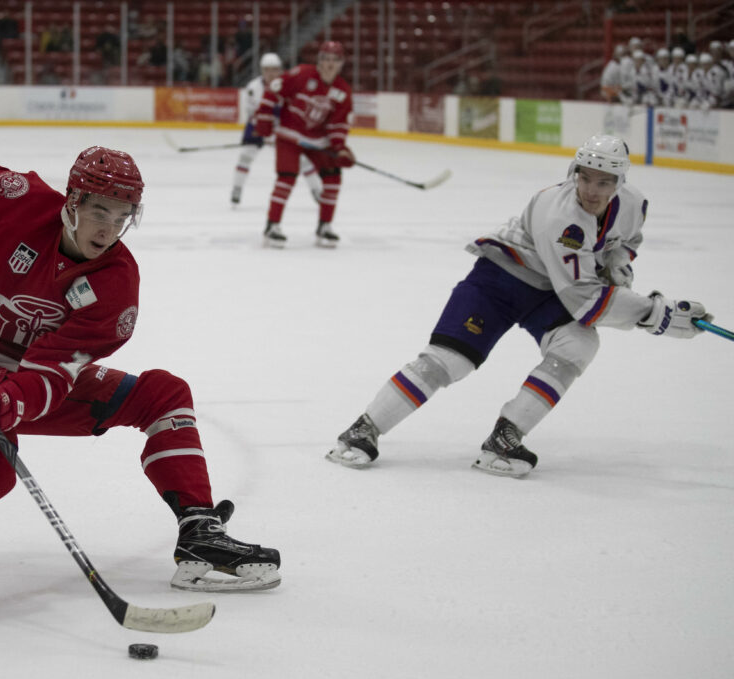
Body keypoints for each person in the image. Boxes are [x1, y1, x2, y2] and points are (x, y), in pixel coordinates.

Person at [0, 142, 282, 633]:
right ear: (71, 202)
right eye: (99, 211)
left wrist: (8, 396)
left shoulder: (115, 284)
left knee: (163, 394)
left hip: (29, 374)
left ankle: (200, 532)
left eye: (123, 215)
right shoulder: (14, 199)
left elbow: (51, 374)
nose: (109, 228)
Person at [325, 134, 713, 478]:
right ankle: (363, 429)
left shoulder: (633, 204)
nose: (592, 190)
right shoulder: (562, 217)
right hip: (500, 280)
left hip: (550, 289)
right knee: (450, 361)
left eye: (604, 181)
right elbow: (587, 302)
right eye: (585, 177)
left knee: (577, 345)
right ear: (573, 172)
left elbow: (625, 242)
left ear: (620, 182)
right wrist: (654, 313)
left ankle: (504, 437)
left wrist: (619, 270)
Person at [255, 40, 355, 248]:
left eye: (334, 60)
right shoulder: (301, 74)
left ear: (341, 63)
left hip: (318, 141)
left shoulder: (342, 91)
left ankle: (324, 226)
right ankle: (272, 226)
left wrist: (339, 148)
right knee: (287, 176)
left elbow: (338, 123)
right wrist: (264, 115)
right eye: (326, 59)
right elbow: (274, 88)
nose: (329, 64)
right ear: (319, 61)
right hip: (290, 135)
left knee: (333, 176)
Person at [230, 52, 322, 207]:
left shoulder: (289, 85)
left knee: (303, 159)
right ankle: (237, 188)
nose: (270, 73)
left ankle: (317, 190)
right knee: (245, 156)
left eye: (274, 69)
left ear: (280, 70)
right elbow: (252, 113)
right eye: (267, 70)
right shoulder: (253, 88)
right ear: (262, 70)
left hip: (282, 127)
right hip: (257, 127)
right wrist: (263, 131)